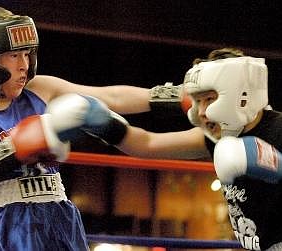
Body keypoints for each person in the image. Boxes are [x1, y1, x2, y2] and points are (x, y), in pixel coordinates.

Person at [0, 6, 187, 251]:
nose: (24, 65)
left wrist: (175, 96)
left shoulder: (41, 88)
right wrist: (14, 149)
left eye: (27, 54)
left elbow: (110, 97)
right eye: (14, 56)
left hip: (61, 217)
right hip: (10, 225)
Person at [48, 48, 282, 251]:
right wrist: (101, 123)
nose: (201, 112)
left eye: (210, 99)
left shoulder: (278, 128)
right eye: (197, 101)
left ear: (242, 96)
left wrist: (275, 163)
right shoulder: (216, 138)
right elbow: (145, 143)